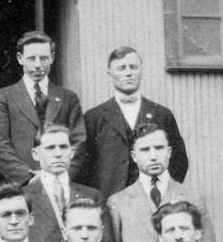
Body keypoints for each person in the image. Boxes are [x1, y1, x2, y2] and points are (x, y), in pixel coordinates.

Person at [80, 47, 188, 202]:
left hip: (154, 200)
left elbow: (179, 160)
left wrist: (164, 193)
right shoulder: (94, 117)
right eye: (121, 68)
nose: (128, 72)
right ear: (109, 75)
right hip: (109, 201)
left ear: (141, 71)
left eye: (133, 67)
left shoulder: (162, 114)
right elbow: (84, 167)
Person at [107, 124, 216, 242]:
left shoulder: (193, 197)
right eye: (145, 150)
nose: (153, 156)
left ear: (169, 152)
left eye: (159, 148)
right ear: (134, 156)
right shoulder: (118, 202)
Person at [0, 31, 86, 185]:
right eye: (31, 58)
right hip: (21, 186)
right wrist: (28, 177)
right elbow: (0, 145)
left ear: (52, 58)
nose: (38, 65)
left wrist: (60, 177)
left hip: (59, 182)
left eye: (43, 58)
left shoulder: (68, 98)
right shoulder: (4, 97)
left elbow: (78, 142)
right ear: (20, 58)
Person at [22, 123, 110, 242]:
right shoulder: (23, 197)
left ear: (72, 152)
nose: (58, 154)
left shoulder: (93, 196)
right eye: (50, 148)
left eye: (63, 147)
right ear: (36, 154)